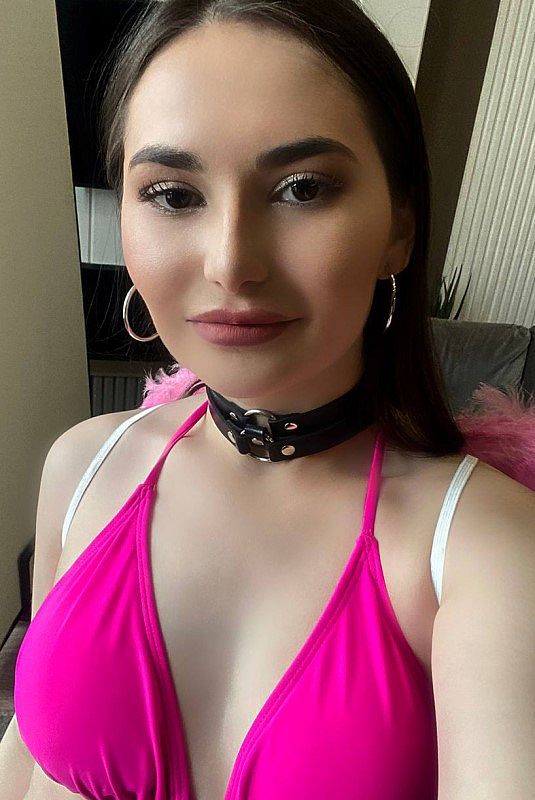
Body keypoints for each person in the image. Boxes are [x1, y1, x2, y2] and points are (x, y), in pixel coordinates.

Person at [5, 2, 534, 799]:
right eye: (172, 195)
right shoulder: (84, 465)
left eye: (301, 188)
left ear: (399, 225)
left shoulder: (489, 549)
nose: (230, 262)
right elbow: (27, 756)